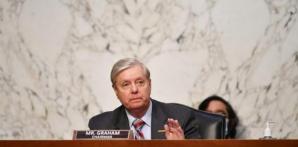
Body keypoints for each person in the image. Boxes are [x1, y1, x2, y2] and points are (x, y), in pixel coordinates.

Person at [89, 58, 200, 140]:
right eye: (126, 84)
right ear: (116, 91)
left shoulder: (181, 117)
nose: (134, 89)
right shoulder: (101, 125)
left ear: (150, 84)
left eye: (140, 82)